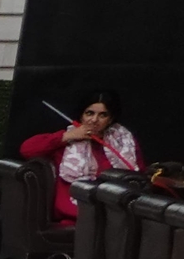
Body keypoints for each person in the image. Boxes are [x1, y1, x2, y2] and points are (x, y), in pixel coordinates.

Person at [19, 91, 140, 222]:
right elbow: (27, 150)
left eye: (102, 115)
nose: (94, 120)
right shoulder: (67, 141)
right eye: (89, 113)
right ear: (81, 116)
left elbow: (138, 173)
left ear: (110, 119)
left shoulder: (123, 141)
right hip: (75, 213)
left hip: (113, 210)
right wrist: (66, 137)